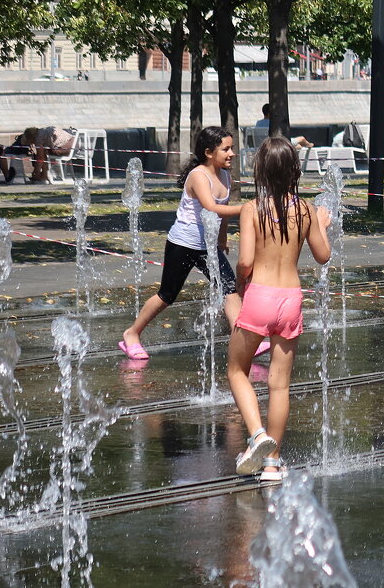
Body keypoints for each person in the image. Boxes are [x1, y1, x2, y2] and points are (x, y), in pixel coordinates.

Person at [226, 137, 332, 481]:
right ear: (294, 171)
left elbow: (244, 261)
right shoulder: (306, 210)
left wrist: (243, 282)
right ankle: (272, 461)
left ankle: (257, 434)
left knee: (236, 371)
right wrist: (321, 225)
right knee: (279, 385)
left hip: (260, 295)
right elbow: (323, 255)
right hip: (290, 298)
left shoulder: (251, 209)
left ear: (260, 171)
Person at [119, 127, 264, 360]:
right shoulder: (198, 176)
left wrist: (222, 238)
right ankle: (132, 333)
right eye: (225, 149)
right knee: (167, 295)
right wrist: (249, 208)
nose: (231, 154)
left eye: (232, 149)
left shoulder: (224, 175)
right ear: (208, 152)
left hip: (208, 246)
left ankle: (245, 343)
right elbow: (212, 207)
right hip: (183, 243)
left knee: (230, 290)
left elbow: (222, 214)